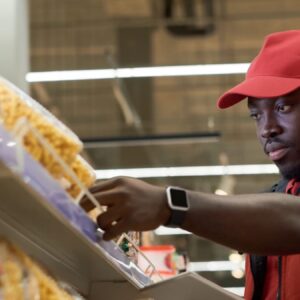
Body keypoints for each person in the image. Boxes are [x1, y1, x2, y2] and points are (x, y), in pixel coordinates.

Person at [86, 30, 300, 300]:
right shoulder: (272, 208)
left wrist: (170, 204)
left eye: (284, 108)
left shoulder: (277, 217)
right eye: (256, 115)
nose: (267, 129)